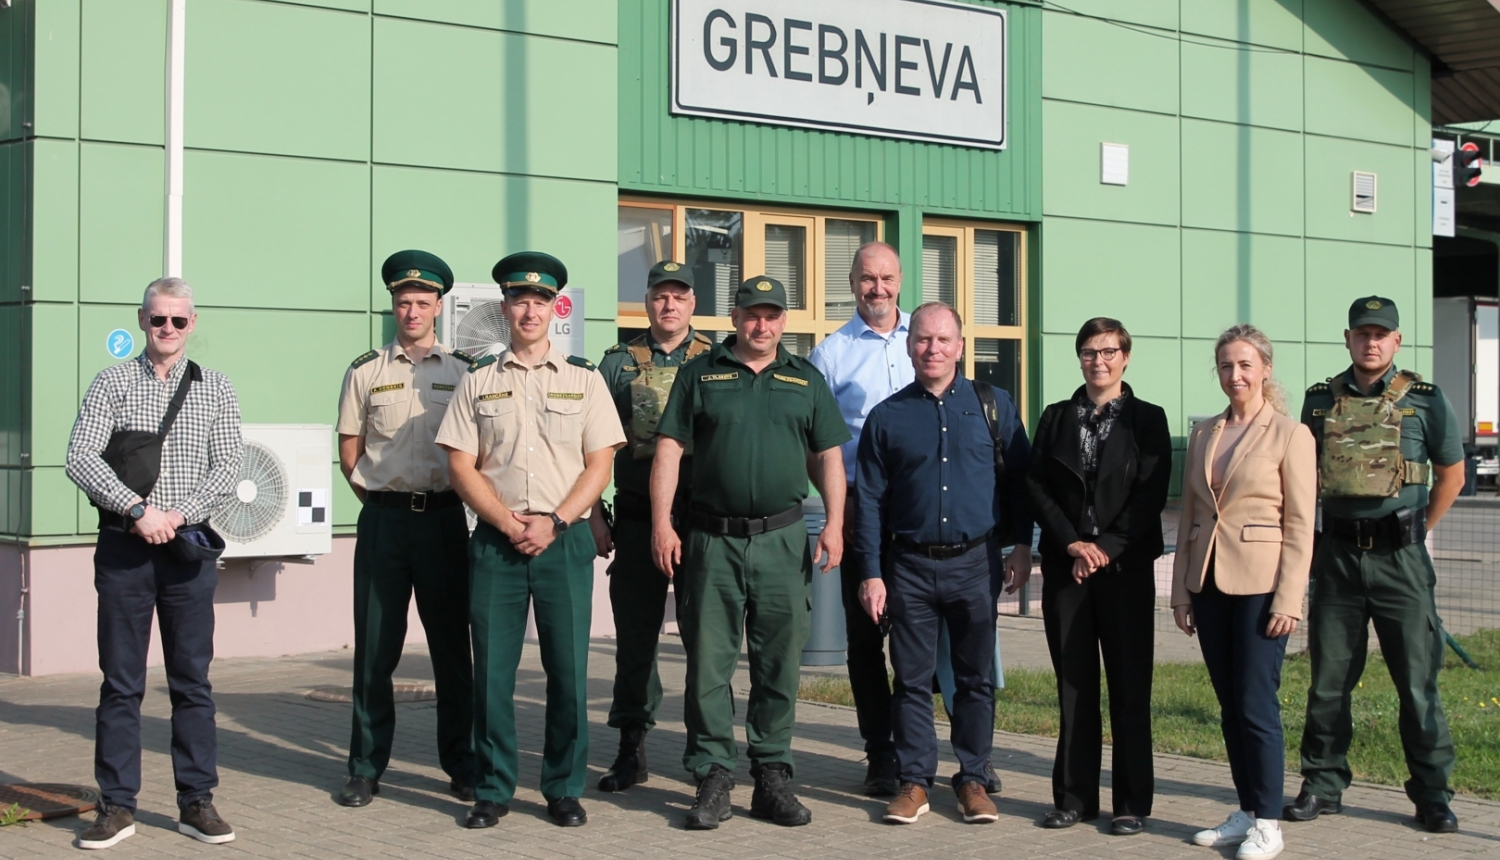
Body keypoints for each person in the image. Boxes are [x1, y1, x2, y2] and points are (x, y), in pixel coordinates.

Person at [651, 275, 849, 830]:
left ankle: (771, 774)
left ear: (784, 321)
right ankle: (713, 772)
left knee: (778, 662)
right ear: (734, 317)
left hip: (783, 539)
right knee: (709, 663)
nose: (762, 325)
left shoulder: (805, 379)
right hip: (711, 540)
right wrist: (663, 525)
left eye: (772, 315)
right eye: (752, 314)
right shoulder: (700, 374)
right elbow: (668, 449)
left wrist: (835, 523)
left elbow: (828, 455)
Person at [436, 252, 625, 829]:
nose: (529, 310)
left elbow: (600, 465)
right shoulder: (479, 382)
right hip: (497, 541)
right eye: (519, 300)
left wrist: (557, 521)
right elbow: (460, 466)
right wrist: (505, 522)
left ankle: (564, 788)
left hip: (563, 540)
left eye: (540, 301)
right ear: (504, 308)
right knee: (492, 672)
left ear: (555, 309)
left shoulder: (585, 379)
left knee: (567, 670)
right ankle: (493, 788)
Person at [65, 277, 244, 849]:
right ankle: (116, 805)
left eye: (179, 320)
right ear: (142, 321)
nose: (167, 329)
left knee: (192, 681)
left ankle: (197, 801)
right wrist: (138, 510)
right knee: (120, 683)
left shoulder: (215, 387)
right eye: (157, 319)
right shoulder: (112, 381)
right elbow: (79, 456)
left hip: (187, 551)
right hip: (125, 549)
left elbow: (228, 465)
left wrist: (176, 515)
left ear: (194, 324)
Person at [1286, 297, 1465, 834]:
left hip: (1401, 563)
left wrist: (1415, 532)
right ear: (1347, 339)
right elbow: (1302, 477)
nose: (1371, 343)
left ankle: (1432, 794)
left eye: (1380, 334)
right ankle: (1322, 783)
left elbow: (1450, 475)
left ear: (1396, 341)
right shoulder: (1319, 401)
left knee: (1417, 684)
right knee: (1328, 683)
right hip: (1336, 560)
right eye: (1362, 334)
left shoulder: (1427, 401)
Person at [853, 301, 1033, 826]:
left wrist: (1021, 545)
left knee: (975, 678)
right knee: (909, 680)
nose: (932, 349)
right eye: (923, 340)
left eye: (943, 340)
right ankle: (914, 783)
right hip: (908, 565)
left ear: (960, 346)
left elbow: (1019, 483)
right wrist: (870, 571)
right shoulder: (887, 417)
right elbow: (869, 502)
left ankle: (973, 778)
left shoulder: (993, 405)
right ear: (910, 346)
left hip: (976, 562)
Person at [333, 250, 478, 808]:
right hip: (385, 524)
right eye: (403, 302)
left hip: (444, 520)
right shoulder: (366, 369)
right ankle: (366, 767)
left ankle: (461, 766)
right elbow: (350, 446)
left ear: (439, 306)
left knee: (450, 652)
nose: (412, 311)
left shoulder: (464, 370)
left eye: (422, 302)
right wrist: (376, 495)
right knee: (374, 651)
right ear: (393, 306)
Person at [1172, 325, 1316, 860]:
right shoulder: (1206, 433)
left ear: (1265, 370)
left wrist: (1289, 600)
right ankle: (1248, 810)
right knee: (1230, 704)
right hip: (1208, 584)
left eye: (1246, 365)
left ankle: (1271, 823)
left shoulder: (1289, 434)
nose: (1236, 375)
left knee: (1257, 704)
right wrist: (1182, 592)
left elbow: (1301, 525)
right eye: (1227, 366)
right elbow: (1190, 515)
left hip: (1261, 586)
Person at [1026, 317, 1171, 836]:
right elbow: (1036, 485)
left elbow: (1150, 496)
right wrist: (1072, 543)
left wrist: (1105, 549)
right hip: (1069, 573)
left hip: (1125, 570)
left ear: (1126, 357)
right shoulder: (1056, 417)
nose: (1099, 361)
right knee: (1074, 686)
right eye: (1089, 352)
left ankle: (1131, 802)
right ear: (1079, 357)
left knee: (1130, 688)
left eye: (1109, 351)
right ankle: (1074, 797)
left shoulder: (1148, 419)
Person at [591, 260, 712, 793]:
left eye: (679, 296)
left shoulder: (717, 360)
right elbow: (588, 445)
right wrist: (595, 515)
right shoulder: (617, 364)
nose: (670, 305)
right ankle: (630, 748)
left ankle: (707, 753)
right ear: (647, 302)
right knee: (636, 642)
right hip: (638, 522)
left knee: (707, 642)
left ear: (692, 303)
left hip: (704, 525)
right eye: (661, 296)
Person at [807, 241, 910, 796]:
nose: (878, 288)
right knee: (867, 640)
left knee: (921, 637)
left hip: (921, 514)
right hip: (858, 511)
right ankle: (880, 752)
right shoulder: (832, 354)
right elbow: (815, 445)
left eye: (887, 278)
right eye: (867, 279)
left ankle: (918, 746)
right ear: (852, 284)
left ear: (900, 280)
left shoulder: (927, 338)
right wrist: (835, 514)